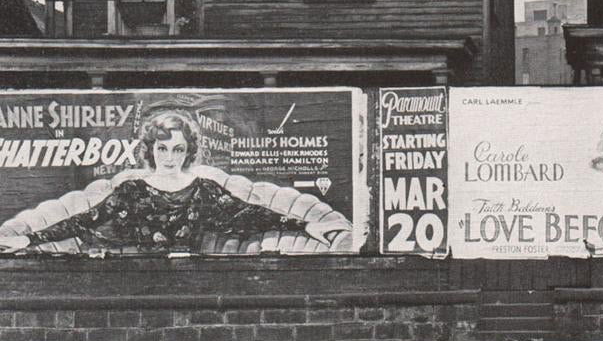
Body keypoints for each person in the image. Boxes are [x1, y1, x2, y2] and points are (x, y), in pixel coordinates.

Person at [0, 110, 346, 254]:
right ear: (150, 149)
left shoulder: (205, 189)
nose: (170, 156)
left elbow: (253, 214)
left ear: (188, 150)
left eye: (178, 148)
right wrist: (29, 238)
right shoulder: (131, 191)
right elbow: (83, 220)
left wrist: (307, 225)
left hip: (191, 281)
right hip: (139, 281)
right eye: (162, 148)